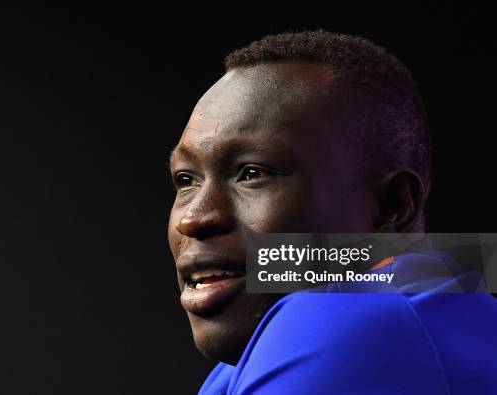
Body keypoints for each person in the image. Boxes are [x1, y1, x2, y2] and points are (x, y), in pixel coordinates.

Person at [167, 31, 497, 394]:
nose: (193, 218)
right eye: (186, 179)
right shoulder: (444, 308)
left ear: (391, 207)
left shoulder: (337, 323)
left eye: (253, 173)